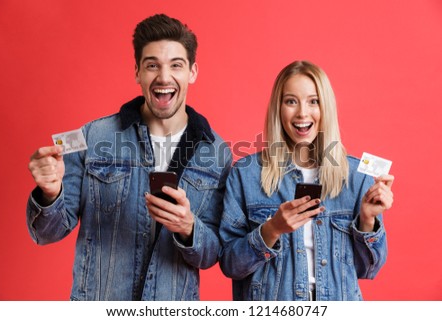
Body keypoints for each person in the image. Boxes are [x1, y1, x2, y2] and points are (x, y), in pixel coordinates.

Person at [27, 14, 232, 301]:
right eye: (152, 65)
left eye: (176, 65)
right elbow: (46, 233)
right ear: (137, 72)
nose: (163, 77)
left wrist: (189, 228)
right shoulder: (94, 137)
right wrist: (50, 193)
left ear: (192, 72)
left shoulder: (217, 153)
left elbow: (214, 254)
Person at [219, 60, 394, 301]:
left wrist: (367, 220)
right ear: (278, 109)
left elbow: (369, 269)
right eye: (291, 101)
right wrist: (271, 230)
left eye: (314, 101)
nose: (302, 113)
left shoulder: (356, 176)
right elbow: (230, 265)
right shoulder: (245, 174)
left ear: (326, 108)